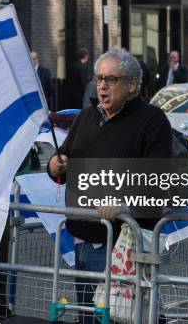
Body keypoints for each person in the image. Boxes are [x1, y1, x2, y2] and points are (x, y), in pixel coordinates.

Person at [47, 47, 172, 323]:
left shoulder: (152, 121)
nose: (102, 86)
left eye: (111, 79)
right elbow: (63, 161)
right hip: (83, 240)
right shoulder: (86, 117)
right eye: (98, 78)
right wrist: (56, 165)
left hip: (123, 244)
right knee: (90, 318)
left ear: (132, 84)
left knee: (126, 318)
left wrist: (124, 204)